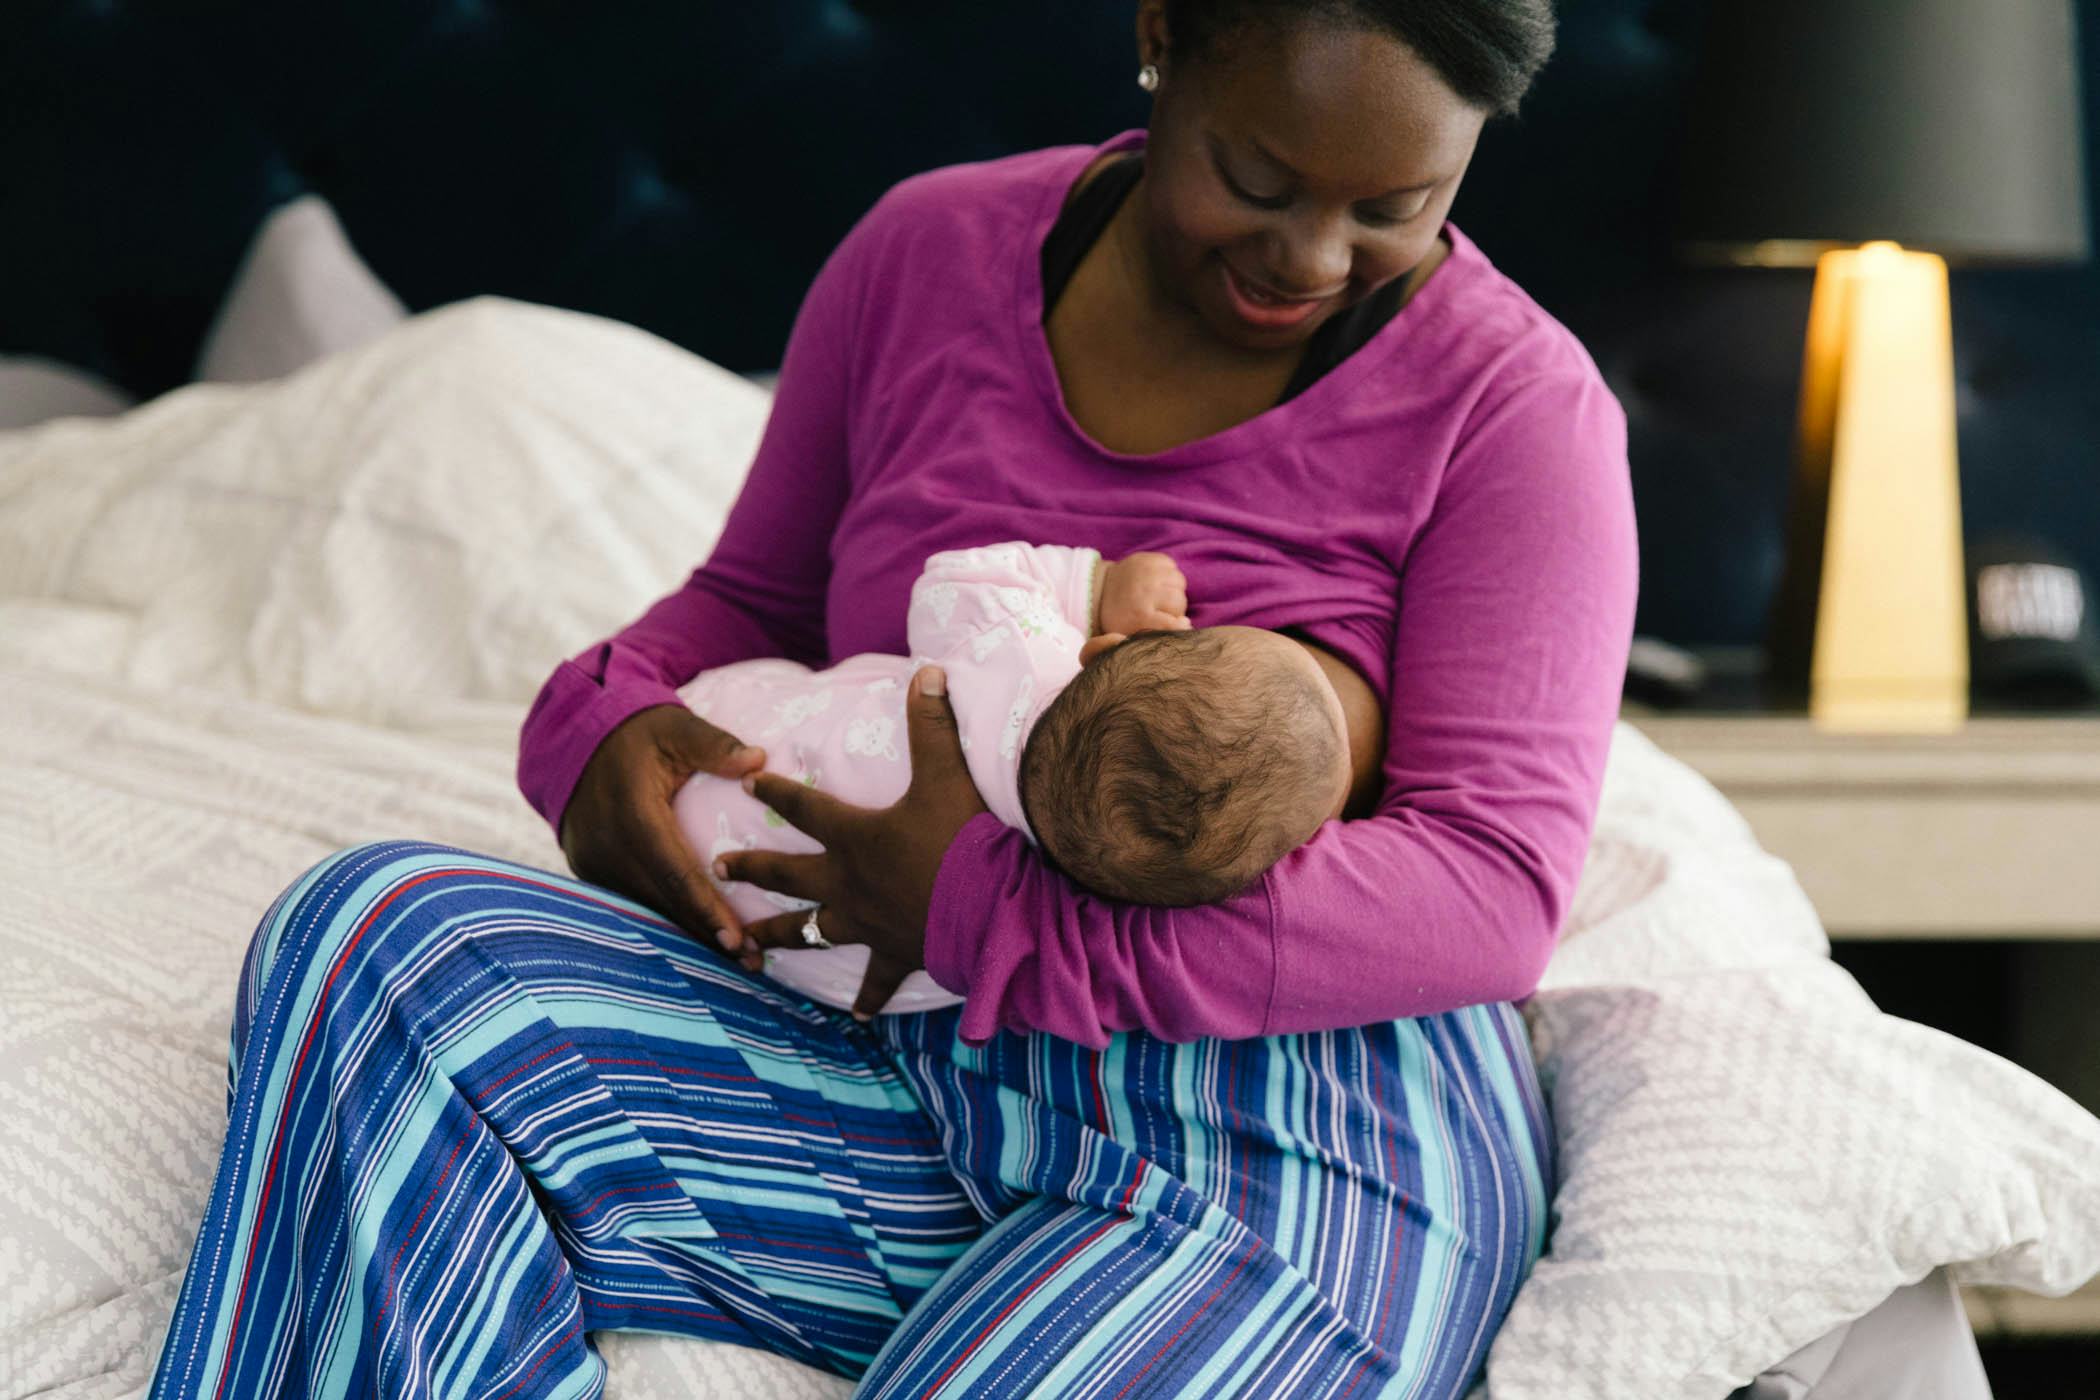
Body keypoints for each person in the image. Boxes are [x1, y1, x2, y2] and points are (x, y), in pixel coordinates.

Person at [148, 1, 1637, 1395]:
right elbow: (753, 606)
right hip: (889, 1077)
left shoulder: (1515, 409)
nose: (1312, 258)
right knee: (382, 943)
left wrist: (993, 917)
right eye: (1259, 175)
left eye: (1396, 209)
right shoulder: (928, 253)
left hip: (1278, 1136)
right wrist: (596, 724)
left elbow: (1489, 888)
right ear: (1163, 38)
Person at [679, 539, 1366, 1018]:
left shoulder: (1021, 655)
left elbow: (957, 579)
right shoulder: (1052, 891)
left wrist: (1099, 585)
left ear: (1102, 648)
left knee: (782, 699)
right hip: (810, 958)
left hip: (719, 768)